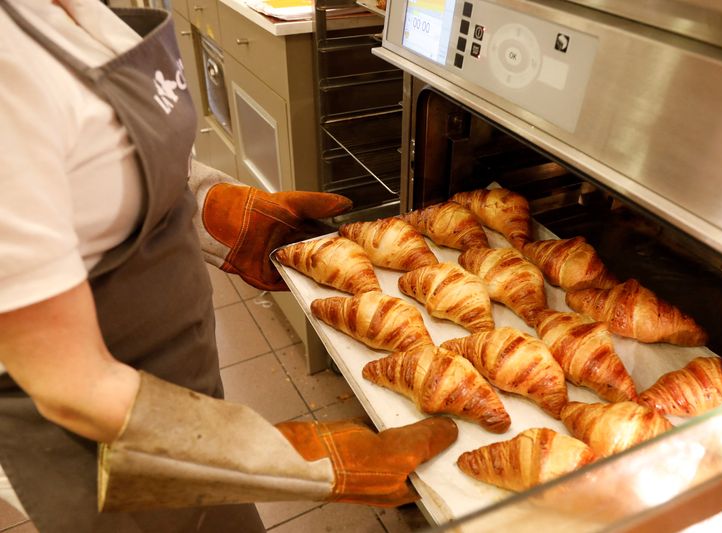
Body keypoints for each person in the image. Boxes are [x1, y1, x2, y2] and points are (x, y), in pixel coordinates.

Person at [0, 1, 458, 532]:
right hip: (98, 438)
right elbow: (71, 389)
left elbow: (95, 168)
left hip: (180, 389)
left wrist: (215, 207)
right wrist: (304, 463)